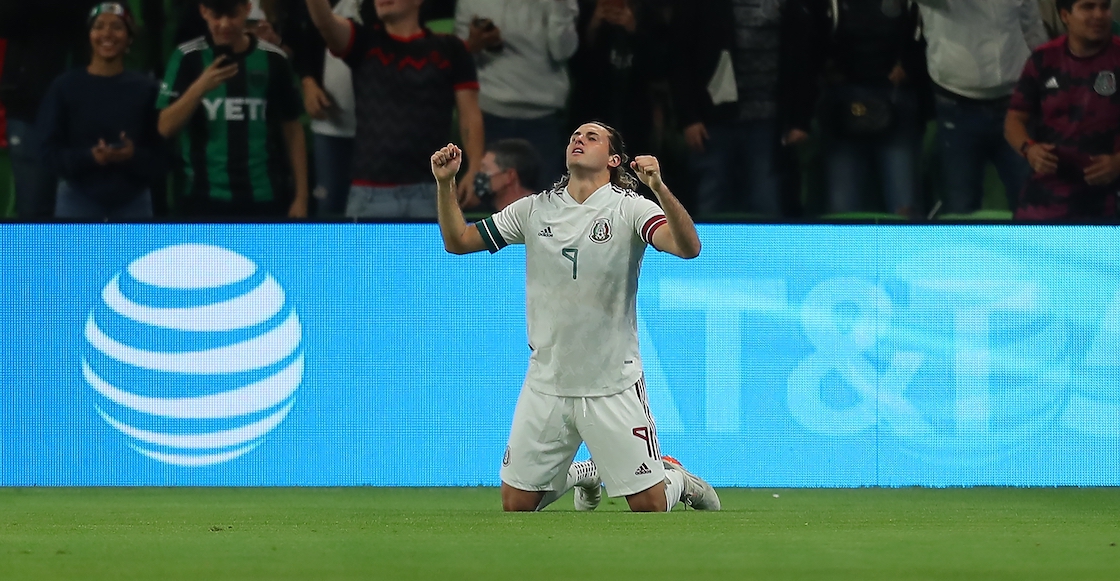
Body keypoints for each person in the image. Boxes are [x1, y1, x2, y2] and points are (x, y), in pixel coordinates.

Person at [431, 121, 720, 513]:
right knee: (516, 506)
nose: (577, 140)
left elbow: (688, 248)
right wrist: (446, 183)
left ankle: (677, 478)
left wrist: (659, 187)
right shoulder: (533, 209)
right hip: (547, 382)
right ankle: (586, 472)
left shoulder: (630, 207)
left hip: (612, 382)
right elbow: (458, 241)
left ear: (614, 159)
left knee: (649, 507)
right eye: (573, 137)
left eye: (591, 137)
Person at [306, 0, 485, 219]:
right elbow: (325, 22)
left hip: (433, 190)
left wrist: (475, 166)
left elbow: (470, 115)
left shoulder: (452, 49)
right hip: (370, 192)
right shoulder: (364, 42)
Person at [157, 0, 309, 219]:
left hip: (262, 197)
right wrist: (199, 88)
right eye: (217, 16)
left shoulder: (273, 59)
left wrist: (301, 197)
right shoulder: (186, 57)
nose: (225, 24)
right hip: (202, 198)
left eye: (233, 15)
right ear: (203, 11)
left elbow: (293, 130)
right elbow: (164, 127)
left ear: (247, 9)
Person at [670, 0, 819, 219]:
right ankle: (706, 252)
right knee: (710, 198)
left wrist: (800, 119)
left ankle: (764, 252)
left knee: (765, 198)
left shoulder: (790, 5)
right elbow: (680, 57)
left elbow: (804, 59)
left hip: (769, 119)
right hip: (714, 118)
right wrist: (689, 117)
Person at [915, 0, 1048, 216]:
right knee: (961, 208)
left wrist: (1047, 77)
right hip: (957, 107)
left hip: (1015, 106)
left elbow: (1032, 26)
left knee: (1030, 203)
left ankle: (1029, 250)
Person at [38, 2, 165, 220]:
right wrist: (89, 157)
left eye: (116, 26)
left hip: (133, 200)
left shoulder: (147, 89)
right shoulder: (65, 86)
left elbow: (163, 155)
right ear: (89, 35)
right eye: (99, 26)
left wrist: (132, 156)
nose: (107, 33)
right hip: (77, 197)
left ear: (129, 38)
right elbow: (48, 151)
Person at [1006, 0, 1120, 220]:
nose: (1099, 15)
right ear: (1065, 15)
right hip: (1050, 188)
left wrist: (1118, 163)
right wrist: (1029, 149)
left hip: (1109, 187)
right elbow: (1014, 120)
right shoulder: (1043, 59)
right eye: (1088, 7)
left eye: (1104, 7)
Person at [816, 0, 928, 217]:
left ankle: (907, 250)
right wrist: (826, 67)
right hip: (842, 104)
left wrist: (909, 66)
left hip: (897, 101)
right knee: (843, 209)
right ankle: (845, 250)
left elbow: (924, 37)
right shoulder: (830, 4)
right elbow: (810, 41)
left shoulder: (911, 4)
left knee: (905, 207)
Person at [455, 0, 579, 190]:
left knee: (546, 209)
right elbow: (456, 60)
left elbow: (563, 50)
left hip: (543, 119)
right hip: (489, 115)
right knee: (487, 210)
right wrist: (474, 44)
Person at [0, 0, 97, 218]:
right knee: (34, 210)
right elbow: (5, 18)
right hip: (28, 106)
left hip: (84, 106)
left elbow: (101, 15)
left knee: (83, 212)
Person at [295, 0, 361, 216]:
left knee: (368, 211)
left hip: (376, 132)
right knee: (328, 208)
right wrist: (308, 80)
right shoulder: (322, 6)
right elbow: (303, 43)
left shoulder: (383, 6)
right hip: (330, 126)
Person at [474, 138, 540, 212]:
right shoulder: (479, 215)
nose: (479, 173)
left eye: (485, 169)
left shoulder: (541, 213)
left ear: (510, 175)